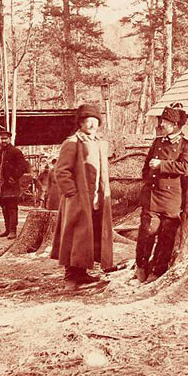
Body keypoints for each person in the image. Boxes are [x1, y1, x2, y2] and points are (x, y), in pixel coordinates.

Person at [52, 103, 115, 286]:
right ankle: (71, 276)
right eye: (88, 121)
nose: (92, 125)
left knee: (90, 235)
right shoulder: (72, 143)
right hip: (78, 199)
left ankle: (83, 272)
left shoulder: (100, 143)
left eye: (95, 121)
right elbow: (61, 171)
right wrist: (72, 193)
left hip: (97, 198)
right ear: (80, 123)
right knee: (75, 235)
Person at [136, 102, 188, 283]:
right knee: (147, 232)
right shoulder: (157, 142)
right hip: (153, 196)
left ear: (175, 125)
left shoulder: (186, 145)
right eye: (162, 121)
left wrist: (162, 165)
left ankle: (158, 270)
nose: (162, 125)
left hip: (171, 198)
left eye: (166, 122)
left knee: (166, 237)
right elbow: (146, 168)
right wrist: (148, 186)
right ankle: (141, 266)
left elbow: (185, 167)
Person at [0, 128, 29, 239]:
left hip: (11, 185)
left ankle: (13, 231)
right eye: (1, 139)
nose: (3, 141)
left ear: (9, 139)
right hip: (1, 186)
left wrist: (14, 177)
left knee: (12, 208)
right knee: (4, 207)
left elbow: (23, 166)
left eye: (5, 139)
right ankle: (7, 229)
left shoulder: (16, 151)